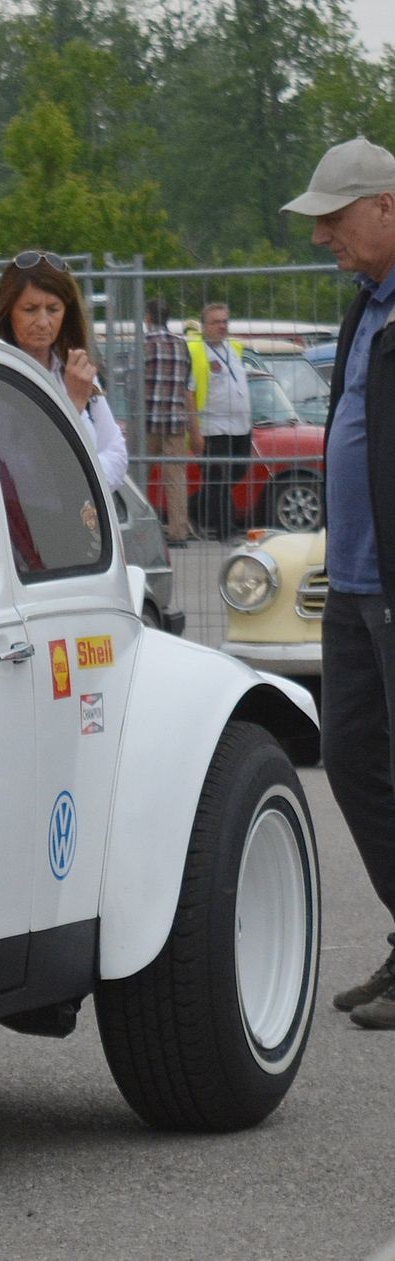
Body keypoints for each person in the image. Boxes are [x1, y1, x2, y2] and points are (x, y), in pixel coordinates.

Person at [280, 137, 395, 1027]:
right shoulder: (366, 305)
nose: (322, 234)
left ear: (385, 207)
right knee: (352, 759)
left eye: (334, 216)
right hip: (354, 582)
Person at [0, 250, 127, 489]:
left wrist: (81, 480)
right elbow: (28, 471)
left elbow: (117, 455)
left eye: (53, 309)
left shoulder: (76, 371)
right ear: (8, 310)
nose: (42, 322)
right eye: (30, 309)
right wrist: (73, 407)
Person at [187, 303, 251, 539]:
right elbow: (189, 393)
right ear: (204, 326)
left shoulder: (233, 349)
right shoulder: (197, 352)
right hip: (213, 429)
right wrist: (195, 431)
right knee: (218, 479)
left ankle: (194, 507)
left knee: (238, 470)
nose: (222, 326)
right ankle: (226, 530)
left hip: (240, 427)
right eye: (216, 322)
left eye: (225, 321)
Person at [142, 298, 202, 542]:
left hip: (147, 420)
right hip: (176, 420)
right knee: (176, 477)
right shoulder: (181, 345)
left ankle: (139, 528)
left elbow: (131, 381)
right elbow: (187, 383)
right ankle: (178, 531)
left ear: (147, 317)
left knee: (138, 474)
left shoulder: (143, 344)